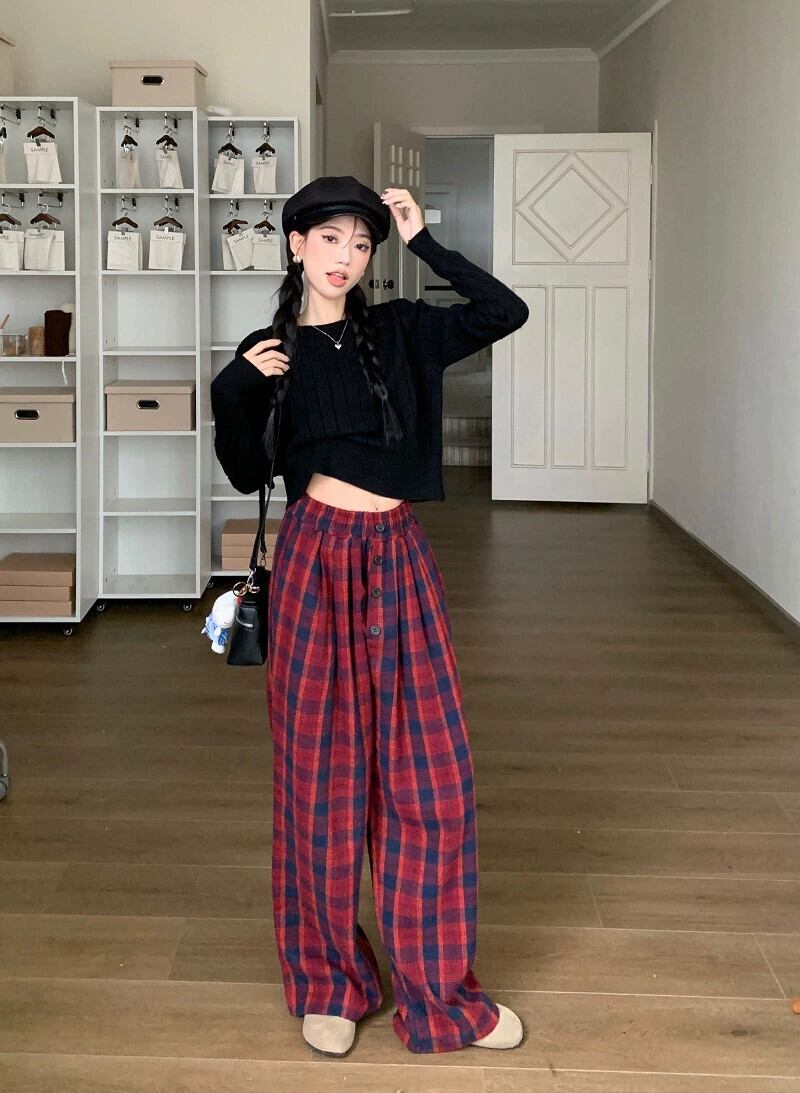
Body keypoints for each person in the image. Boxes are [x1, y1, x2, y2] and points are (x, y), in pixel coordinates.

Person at [211, 175, 530, 1057]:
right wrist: (234, 383)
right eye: (330, 239)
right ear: (295, 244)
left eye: (361, 243)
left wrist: (422, 239)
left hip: (397, 556)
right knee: (319, 784)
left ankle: (439, 992)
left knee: (433, 782)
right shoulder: (270, 351)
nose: (345, 257)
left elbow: (503, 310)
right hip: (314, 560)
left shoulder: (399, 330)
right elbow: (245, 470)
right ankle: (330, 980)